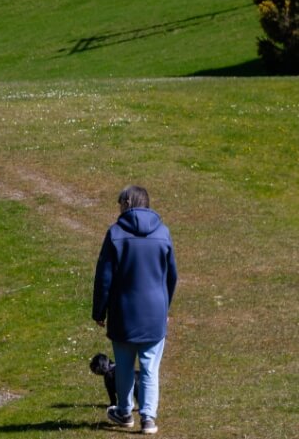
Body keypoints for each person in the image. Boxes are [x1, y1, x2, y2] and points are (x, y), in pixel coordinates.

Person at [92, 185, 177, 434]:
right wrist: (164, 307)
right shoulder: (163, 232)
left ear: (127, 204)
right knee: (151, 368)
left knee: (125, 366)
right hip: (154, 314)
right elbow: (172, 276)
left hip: (123, 313)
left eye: (120, 204)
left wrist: (99, 311)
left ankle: (124, 412)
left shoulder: (116, 233)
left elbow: (104, 277)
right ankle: (148, 418)